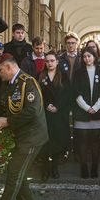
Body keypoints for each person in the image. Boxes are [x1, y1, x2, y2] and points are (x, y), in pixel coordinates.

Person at [0, 53, 48, 200]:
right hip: (20, 136)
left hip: (32, 137)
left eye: (0, 69)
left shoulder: (28, 83)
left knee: (13, 176)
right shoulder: (9, 84)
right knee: (19, 176)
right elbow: (0, 105)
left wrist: (8, 121)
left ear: (9, 67)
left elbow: (32, 112)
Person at [72, 47, 100, 178]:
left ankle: (94, 167)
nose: (87, 59)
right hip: (82, 112)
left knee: (95, 142)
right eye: (84, 57)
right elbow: (75, 92)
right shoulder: (78, 73)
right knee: (82, 142)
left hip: (98, 112)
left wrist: (96, 107)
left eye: (89, 56)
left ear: (94, 57)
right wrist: (86, 107)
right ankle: (83, 166)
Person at [38, 51, 71, 181]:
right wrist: (47, 105)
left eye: (52, 61)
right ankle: (46, 168)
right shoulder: (40, 76)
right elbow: (38, 94)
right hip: (45, 114)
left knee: (57, 141)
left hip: (59, 114)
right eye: (47, 61)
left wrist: (58, 106)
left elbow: (68, 94)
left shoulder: (63, 76)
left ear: (57, 62)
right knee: (45, 142)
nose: (50, 63)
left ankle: (55, 167)